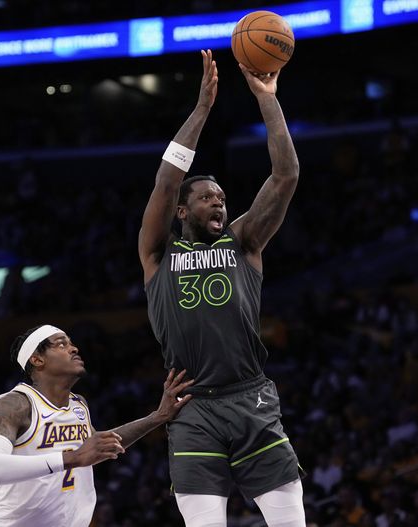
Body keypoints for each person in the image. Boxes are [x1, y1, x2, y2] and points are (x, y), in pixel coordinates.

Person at [138, 49, 304, 526]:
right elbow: (166, 183)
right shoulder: (157, 253)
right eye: (207, 197)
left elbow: (286, 175)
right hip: (191, 410)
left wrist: (267, 98)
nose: (219, 202)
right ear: (183, 213)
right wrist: (202, 109)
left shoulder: (244, 241)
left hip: (250, 397)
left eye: (223, 198)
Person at [0, 324, 193, 526]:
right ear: (37, 359)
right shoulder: (15, 404)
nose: (74, 348)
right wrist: (73, 458)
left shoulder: (79, 404)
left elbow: (98, 446)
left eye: (71, 342)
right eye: (61, 344)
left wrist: (158, 416)